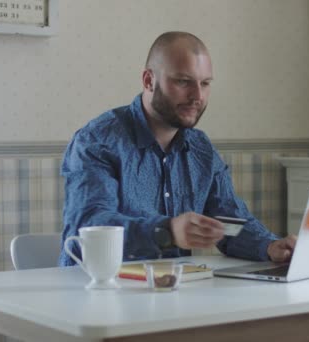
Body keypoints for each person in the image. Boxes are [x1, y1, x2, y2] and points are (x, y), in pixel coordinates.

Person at [59, 31, 296, 267]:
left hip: (167, 293)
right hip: (94, 294)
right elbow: (89, 227)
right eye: (183, 81)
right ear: (149, 80)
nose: (197, 96)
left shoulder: (201, 149)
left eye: (205, 83)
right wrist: (167, 232)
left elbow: (227, 223)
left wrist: (269, 246)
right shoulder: (97, 141)